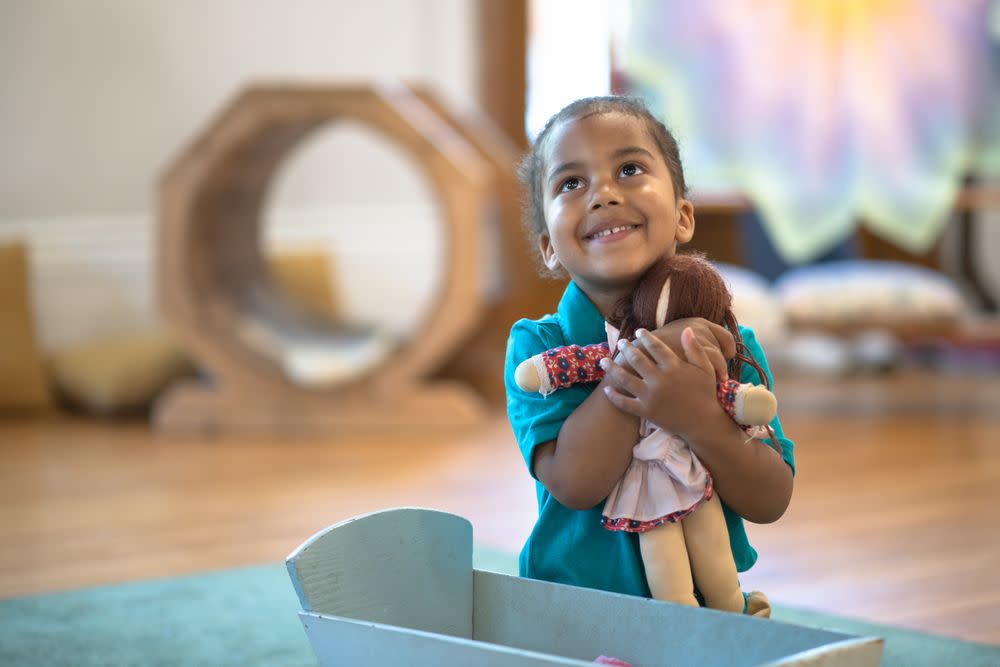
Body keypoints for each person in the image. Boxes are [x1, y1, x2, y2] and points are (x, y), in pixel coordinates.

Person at [504, 96, 795, 614]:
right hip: (577, 610)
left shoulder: (730, 342)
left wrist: (701, 417)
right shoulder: (538, 351)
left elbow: (771, 498)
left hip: (708, 608)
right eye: (571, 183)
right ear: (549, 246)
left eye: (630, 169)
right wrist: (650, 362)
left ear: (683, 216)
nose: (603, 194)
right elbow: (574, 482)